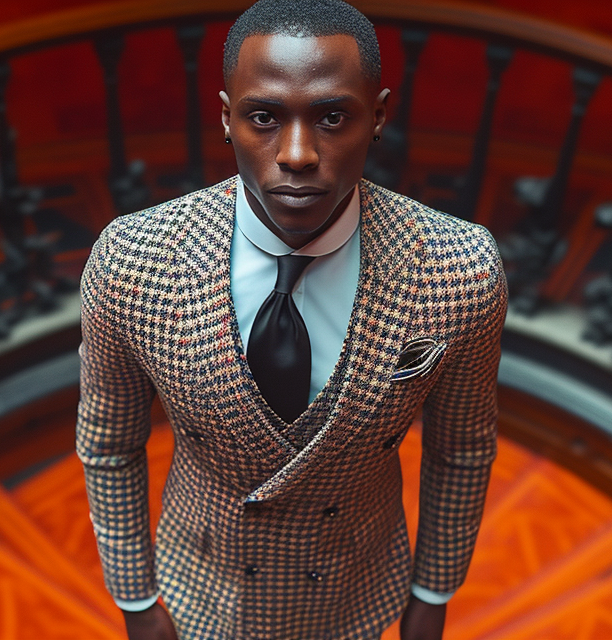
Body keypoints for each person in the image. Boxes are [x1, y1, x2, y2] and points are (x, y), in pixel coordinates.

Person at [76, 0, 505, 637]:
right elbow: (109, 446)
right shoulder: (133, 260)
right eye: (264, 117)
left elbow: (462, 449)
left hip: (357, 586)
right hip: (201, 584)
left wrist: (432, 593)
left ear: (378, 116)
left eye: (332, 117)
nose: (298, 154)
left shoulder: (459, 269)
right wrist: (137, 601)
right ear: (227, 119)